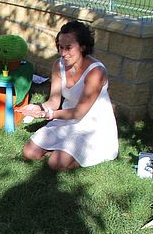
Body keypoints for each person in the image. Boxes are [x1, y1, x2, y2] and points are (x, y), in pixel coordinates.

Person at [18, 21, 118, 171]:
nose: (63, 53)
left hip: (91, 125)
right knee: (30, 152)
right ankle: (63, 150)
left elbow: (79, 113)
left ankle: (67, 153)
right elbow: (54, 101)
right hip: (66, 119)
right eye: (61, 47)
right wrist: (38, 107)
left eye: (69, 47)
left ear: (82, 46)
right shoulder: (58, 65)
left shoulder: (96, 72)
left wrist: (48, 115)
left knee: (55, 163)